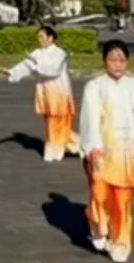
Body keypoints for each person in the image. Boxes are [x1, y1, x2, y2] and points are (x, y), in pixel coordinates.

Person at [78, 39, 134, 263]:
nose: (117, 64)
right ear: (104, 62)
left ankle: (120, 241)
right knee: (99, 196)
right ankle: (97, 224)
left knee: (122, 201)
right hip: (101, 151)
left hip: (128, 153)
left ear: (127, 62)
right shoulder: (95, 86)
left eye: (121, 60)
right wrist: (92, 148)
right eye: (112, 59)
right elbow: (89, 119)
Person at [4, 24, 79, 162]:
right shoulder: (37, 53)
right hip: (46, 93)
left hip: (60, 93)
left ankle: (53, 151)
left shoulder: (59, 53)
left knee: (58, 122)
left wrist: (35, 64)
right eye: (38, 37)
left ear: (51, 38)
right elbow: (25, 65)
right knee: (52, 122)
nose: (39, 40)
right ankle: (77, 146)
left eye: (42, 36)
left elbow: (53, 70)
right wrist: (12, 72)